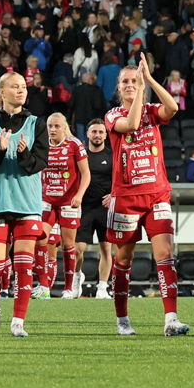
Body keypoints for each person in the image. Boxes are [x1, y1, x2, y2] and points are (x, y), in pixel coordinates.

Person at [105, 55, 187, 337]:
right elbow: (130, 125)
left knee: (165, 254)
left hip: (156, 194)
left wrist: (149, 79)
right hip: (126, 198)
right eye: (125, 82)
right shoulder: (112, 115)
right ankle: (122, 319)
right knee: (124, 260)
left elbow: (172, 107)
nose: (130, 84)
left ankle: (171, 319)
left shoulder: (152, 111)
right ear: (118, 87)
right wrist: (140, 89)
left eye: (134, 80)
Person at [0, 71, 49, 337]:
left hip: (27, 204)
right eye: (15, 86)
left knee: (24, 265)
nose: (21, 90)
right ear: (2, 92)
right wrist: (0, 151)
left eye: (23, 86)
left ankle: (18, 322)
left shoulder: (37, 123)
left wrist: (24, 154)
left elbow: (40, 163)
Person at [35, 112, 90, 299]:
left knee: (68, 245)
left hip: (69, 201)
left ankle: (68, 288)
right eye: (50, 126)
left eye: (57, 126)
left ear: (65, 127)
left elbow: (86, 173)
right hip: (47, 200)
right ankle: (43, 285)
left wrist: (79, 195)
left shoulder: (74, 144)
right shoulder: (42, 144)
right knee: (40, 239)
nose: (53, 129)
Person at [74, 119, 113, 298]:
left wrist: (113, 195)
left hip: (105, 208)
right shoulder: (80, 155)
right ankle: (77, 276)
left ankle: (102, 288)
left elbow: (120, 179)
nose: (97, 135)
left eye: (101, 132)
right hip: (84, 207)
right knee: (77, 249)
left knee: (105, 249)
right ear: (87, 134)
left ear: (106, 135)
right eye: (94, 132)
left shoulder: (112, 155)